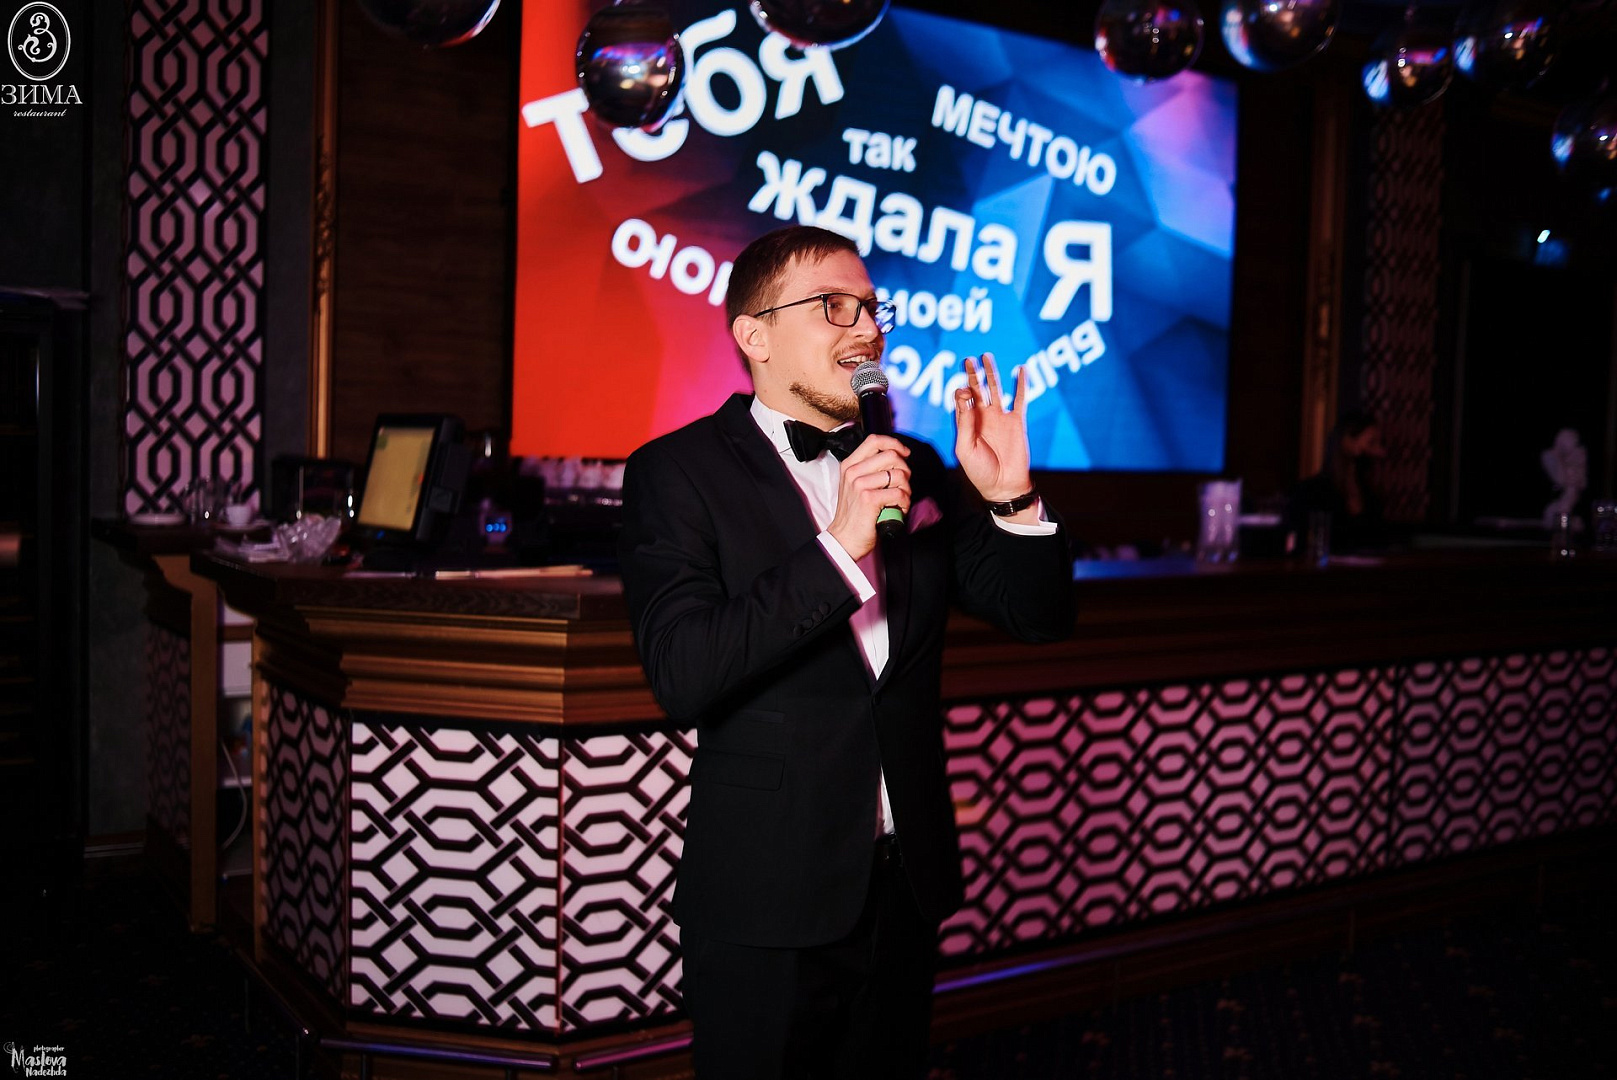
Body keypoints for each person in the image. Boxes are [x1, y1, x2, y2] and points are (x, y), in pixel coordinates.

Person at [616, 225, 1075, 1079]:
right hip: (768, 895)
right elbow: (683, 672)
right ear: (753, 336)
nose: (865, 328)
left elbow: (1038, 617)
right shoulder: (675, 472)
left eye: (869, 308)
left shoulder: (915, 465)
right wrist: (837, 547)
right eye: (832, 306)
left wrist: (1012, 497)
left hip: (904, 886)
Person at [1289, 409, 1390, 554]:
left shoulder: (1371, 496)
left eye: (1380, 443)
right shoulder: (1312, 492)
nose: (1381, 452)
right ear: (1347, 443)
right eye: (1371, 443)